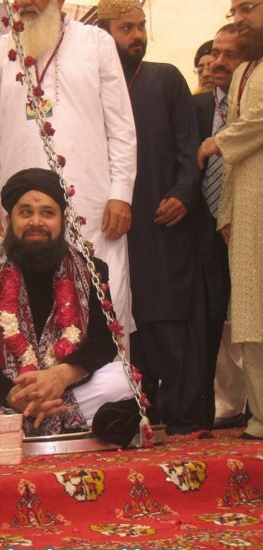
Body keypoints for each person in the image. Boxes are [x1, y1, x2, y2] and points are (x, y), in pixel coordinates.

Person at [0, 0, 137, 354]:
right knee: (23, 302)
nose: (25, 2)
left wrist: (121, 192)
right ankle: (29, 382)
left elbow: (121, 127)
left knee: (103, 296)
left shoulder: (95, 43)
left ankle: (109, 384)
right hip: (20, 210)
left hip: (91, 204)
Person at [0, 168, 140, 447]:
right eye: (26, 213)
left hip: (67, 390)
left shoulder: (90, 270)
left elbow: (103, 342)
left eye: (47, 213)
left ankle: (14, 427)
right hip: (2, 395)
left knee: (123, 379)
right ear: (9, 220)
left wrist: (61, 375)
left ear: (63, 221)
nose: (36, 222)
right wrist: (12, 394)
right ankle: (42, 418)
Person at [97, 0, 208, 434]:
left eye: (141, 27)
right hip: (112, 228)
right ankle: (138, 418)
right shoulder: (92, 85)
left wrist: (184, 193)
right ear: (104, 34)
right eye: (126, 28)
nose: (137, 36)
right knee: (123, 319)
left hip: (162, 224)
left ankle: (185, 421)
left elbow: (189, 146)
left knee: (168, 318)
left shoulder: (165, 78)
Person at [198, 0, 263, 440]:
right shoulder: (242, 73)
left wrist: (219, 141)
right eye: (235, 10)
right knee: (250, 316)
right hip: (247, 213)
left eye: (248, 8)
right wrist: (226, 213)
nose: (239, 18)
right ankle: (259, 416)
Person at [193, 24, 246, 429]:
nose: (218, 63)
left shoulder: (252, 107)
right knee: (216, 317)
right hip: (202, 230)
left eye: (230, 55)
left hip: (248, 224)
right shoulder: (195, 106)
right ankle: (223, 405)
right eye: (215, 56)